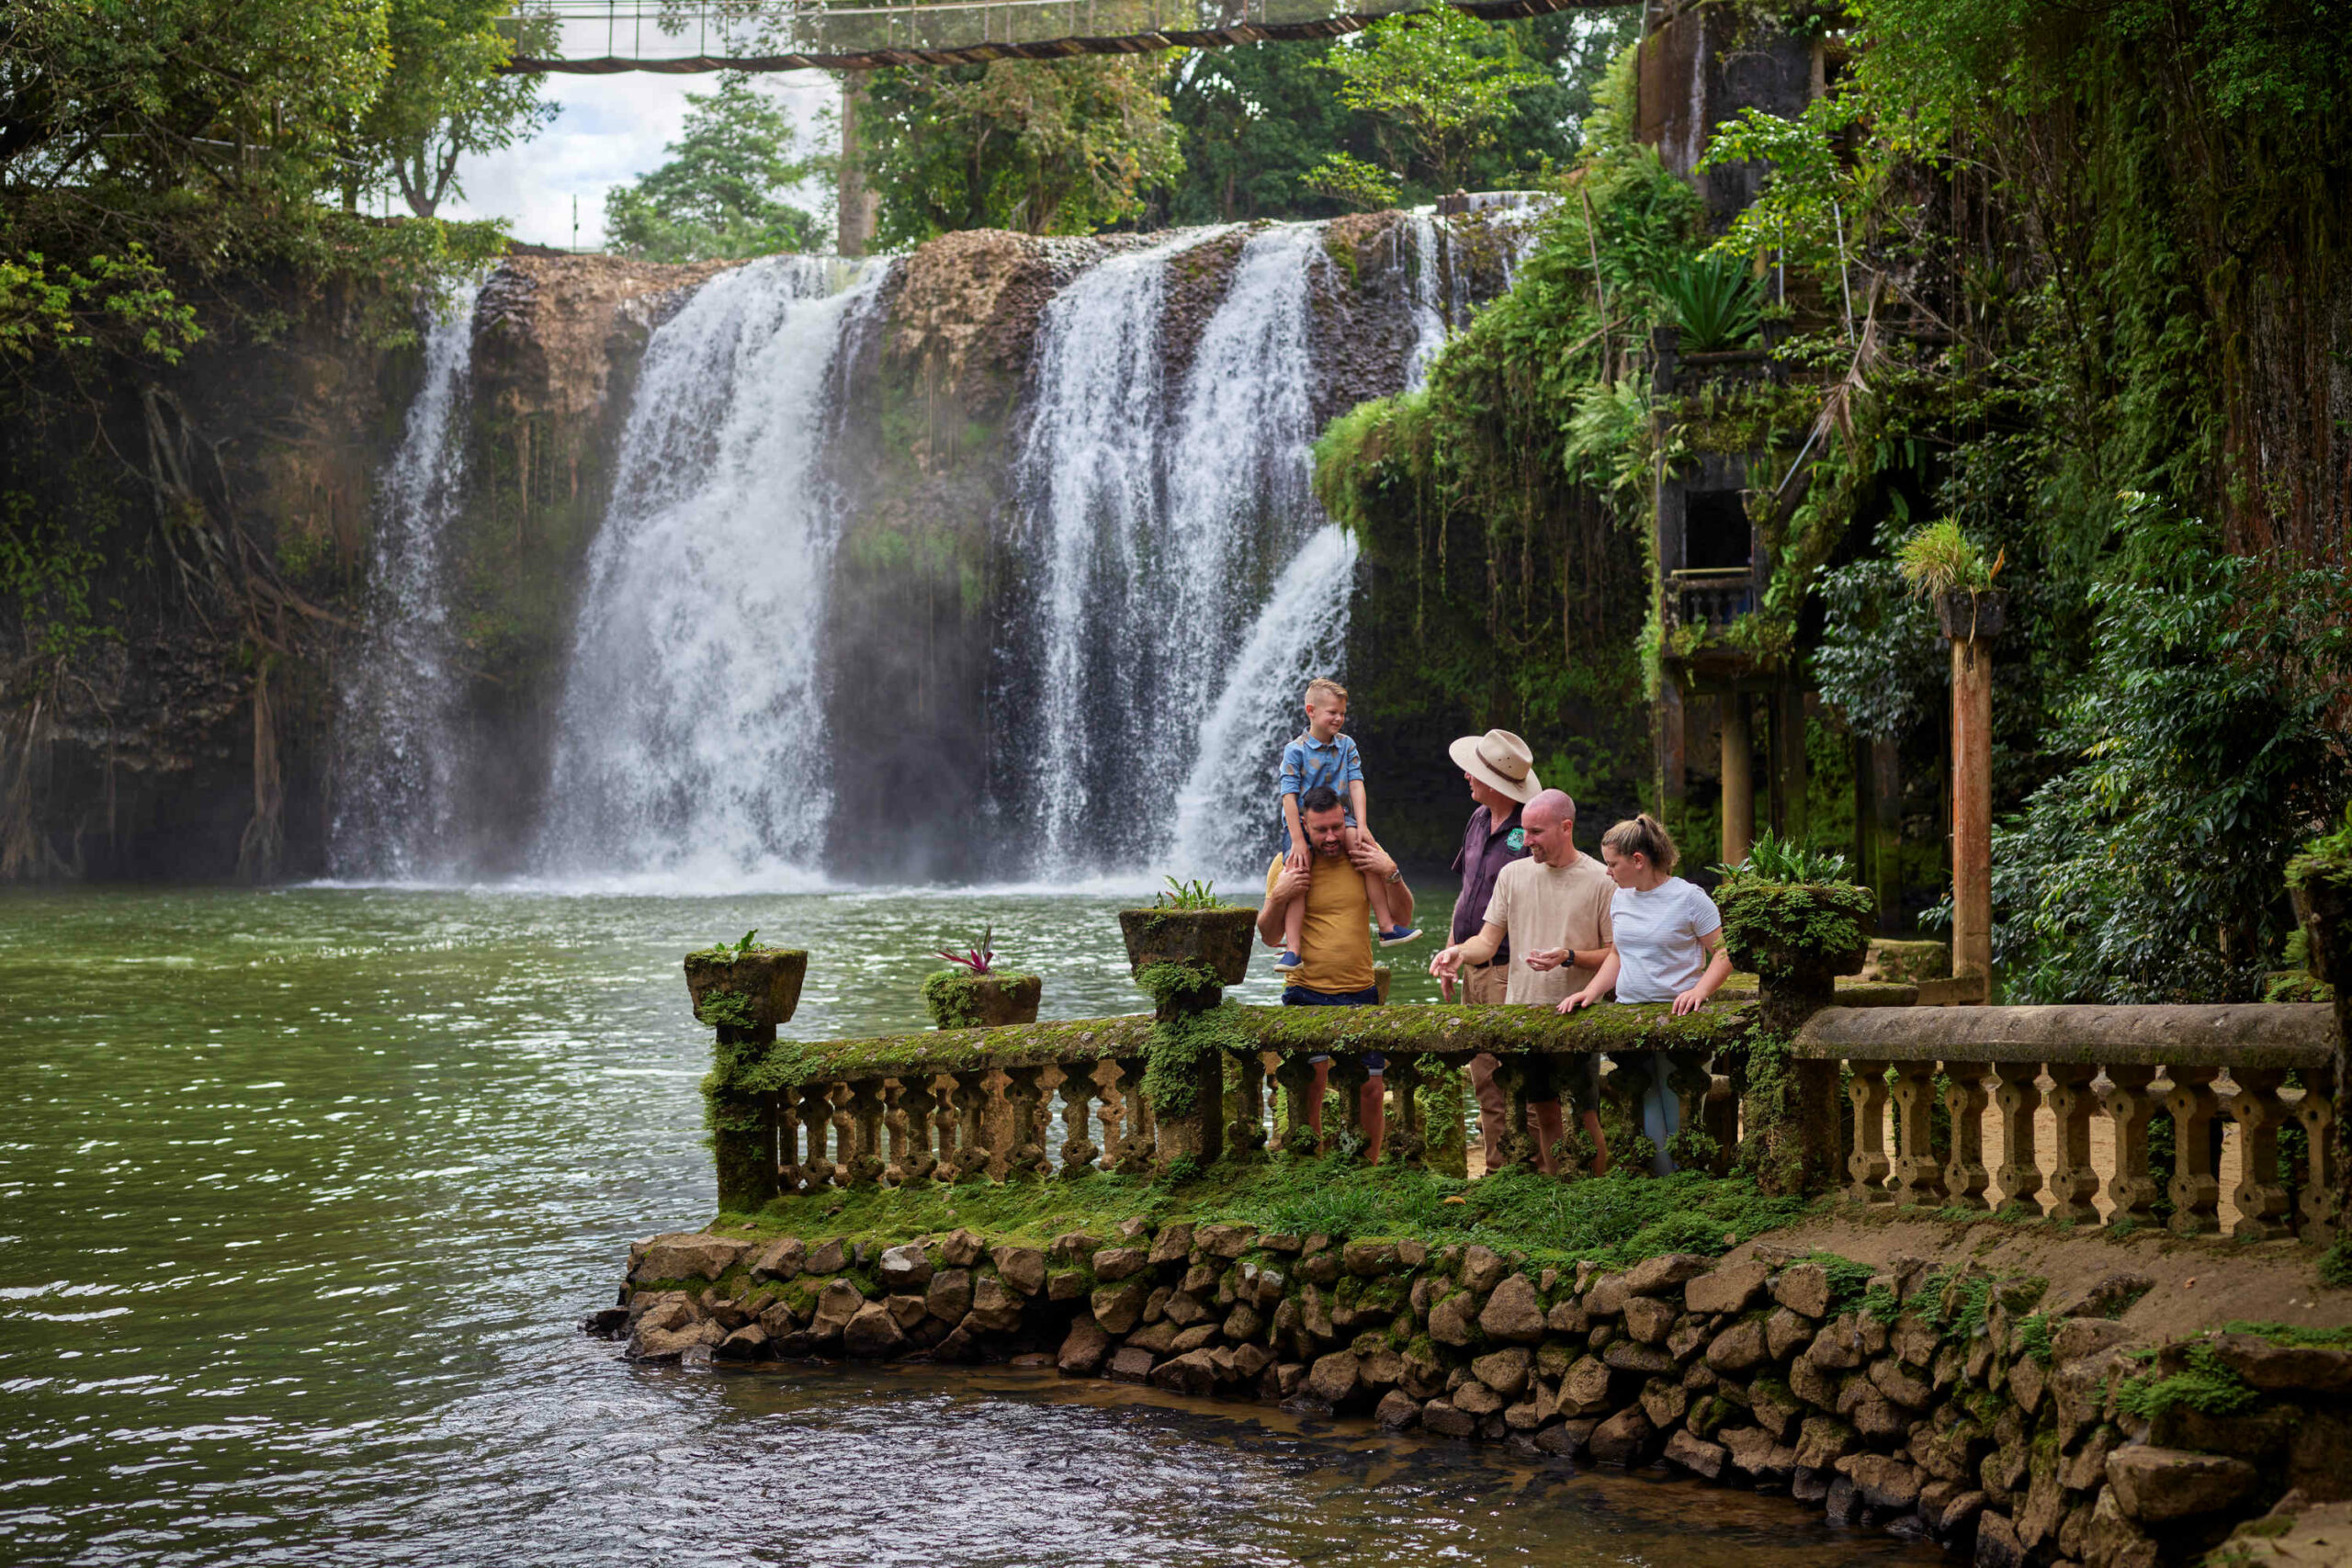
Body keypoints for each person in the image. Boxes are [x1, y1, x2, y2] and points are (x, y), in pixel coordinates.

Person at [1429, 787, 1613, 1176]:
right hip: (1523, 1015)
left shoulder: (1601, 880)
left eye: (1536, 832)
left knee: (1585, 1114)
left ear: (1566, 828)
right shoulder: (1513, 875)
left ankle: (1599, 1193)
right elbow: (1487, 942)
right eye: (1525, 831)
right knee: (1544, 1110)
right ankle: (1554, 1190)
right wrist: (1458, 952)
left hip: (1577, 1015)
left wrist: (1569, 956)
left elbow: (1616, 954)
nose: (1525, 840)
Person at [1556, 813, 1734, 1175]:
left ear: (1638, 860)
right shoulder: (1621, 898)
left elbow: (1725, 952)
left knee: (1679, 1105)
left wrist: (1699, 990)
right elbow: (1619, 955)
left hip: (1678, 1019)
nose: (1608, 872)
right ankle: (1659, 1187)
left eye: (1612, 863)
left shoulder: (1689, 898)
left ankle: (1684, 1188)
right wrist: (1589, 992)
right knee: (1645, 1103)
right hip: (1630, 1018)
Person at [1259, 784, 1416, 1163]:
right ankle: (1310, 1169)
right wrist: (1280, 895)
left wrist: (1391, 872)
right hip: (1305, 990)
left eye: (1336, 826)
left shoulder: (1363, 852)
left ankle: (1369, 1167)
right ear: (1303, 827)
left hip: (1359, 988)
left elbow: (1404, 918)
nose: (1331, 837)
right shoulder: (1288, 862)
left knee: (1372, 1090)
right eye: (1320, 830)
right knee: (1311, 1087)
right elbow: (1268, 936)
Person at [1272, 678, 1416, 971]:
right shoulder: (1295, 750)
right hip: (1303, 825)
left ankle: (1387, 927)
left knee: (1366, 851)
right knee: (1297, 871)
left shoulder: (1347, 745)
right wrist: (1298, 839)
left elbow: (1356, 784)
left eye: (1342, 713)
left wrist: (1362, 825)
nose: (1338, 718)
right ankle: (1294, 949)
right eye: (1332, 712)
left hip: (1343, 820)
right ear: (1311, 711)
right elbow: (1288, 797)